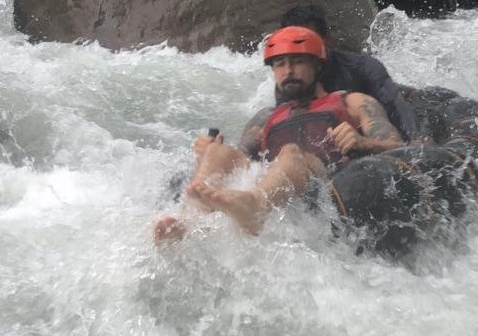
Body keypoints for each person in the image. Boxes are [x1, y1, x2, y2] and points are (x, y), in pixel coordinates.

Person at [153, 26, 405, 243]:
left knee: (290, 151)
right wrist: (206, 151)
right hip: (277, 185)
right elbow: (239, 158)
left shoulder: (353, 102)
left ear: (317, 66)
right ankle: (189, 221)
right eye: (280, 64)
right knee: (218, 151)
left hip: (327, 184)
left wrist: (362, 142)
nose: (288, 71)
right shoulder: (265, 118)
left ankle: (256, 206)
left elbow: (398, 147)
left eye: (297, 61)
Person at [280, 4, 420, 141]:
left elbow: (397, 111)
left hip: (399, 105)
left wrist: (416, 140)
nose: (302, 51)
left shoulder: (363, 67)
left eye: (309, 42)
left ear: (327, 40)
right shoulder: (290, 81)